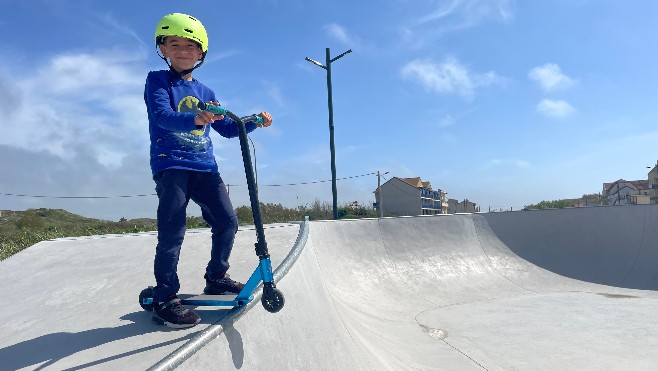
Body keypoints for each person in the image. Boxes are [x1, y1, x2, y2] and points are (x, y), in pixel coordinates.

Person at [144, 13, 272, 328]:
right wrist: (195, 119)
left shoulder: (207, 92)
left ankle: (216, 277)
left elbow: (229, 129)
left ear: (201, 53)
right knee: (173, 231)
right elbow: (162, 116)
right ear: (164, 49)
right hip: (172, 165)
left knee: (227, 222)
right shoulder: (158, 80)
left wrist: (253, 120)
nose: (183, 51)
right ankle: (164, 295)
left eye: (190, 46)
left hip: (205, 169)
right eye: (175, 44)